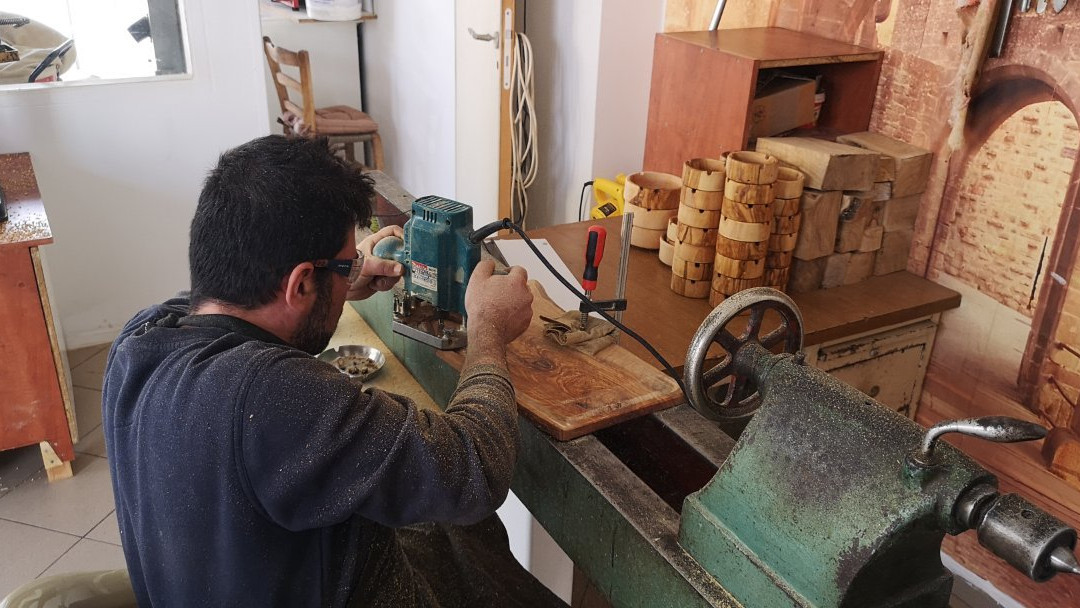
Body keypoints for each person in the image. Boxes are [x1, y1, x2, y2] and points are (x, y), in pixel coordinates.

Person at [102, 135, 564, 607]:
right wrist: (488, 329)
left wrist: (342, 274)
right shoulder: (271, 396)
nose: (348, 278)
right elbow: (474, 468)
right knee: (464, 524)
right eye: (343, 267)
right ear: (300, 283)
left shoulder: (140, 340)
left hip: (236, 577)